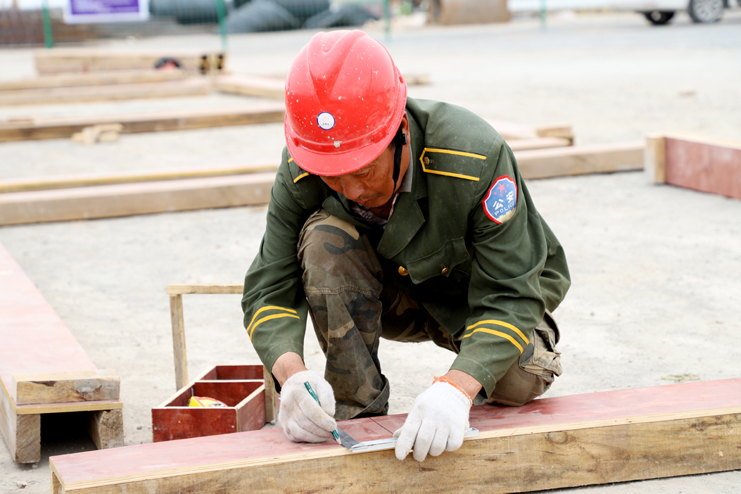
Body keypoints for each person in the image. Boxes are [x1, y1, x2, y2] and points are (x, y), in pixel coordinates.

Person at [241, 30, 570, 462]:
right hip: (386, 298)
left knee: (517, 380)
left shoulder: (472, 157)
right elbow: (269, 288)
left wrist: (457, 388)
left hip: (472, 298)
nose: (351, 190)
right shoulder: (306, 163)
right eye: (333, 176)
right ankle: (358, 409)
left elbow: (512, 291)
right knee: (324, 239)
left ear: (400, 133)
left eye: (363, 170)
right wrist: (292, 377)